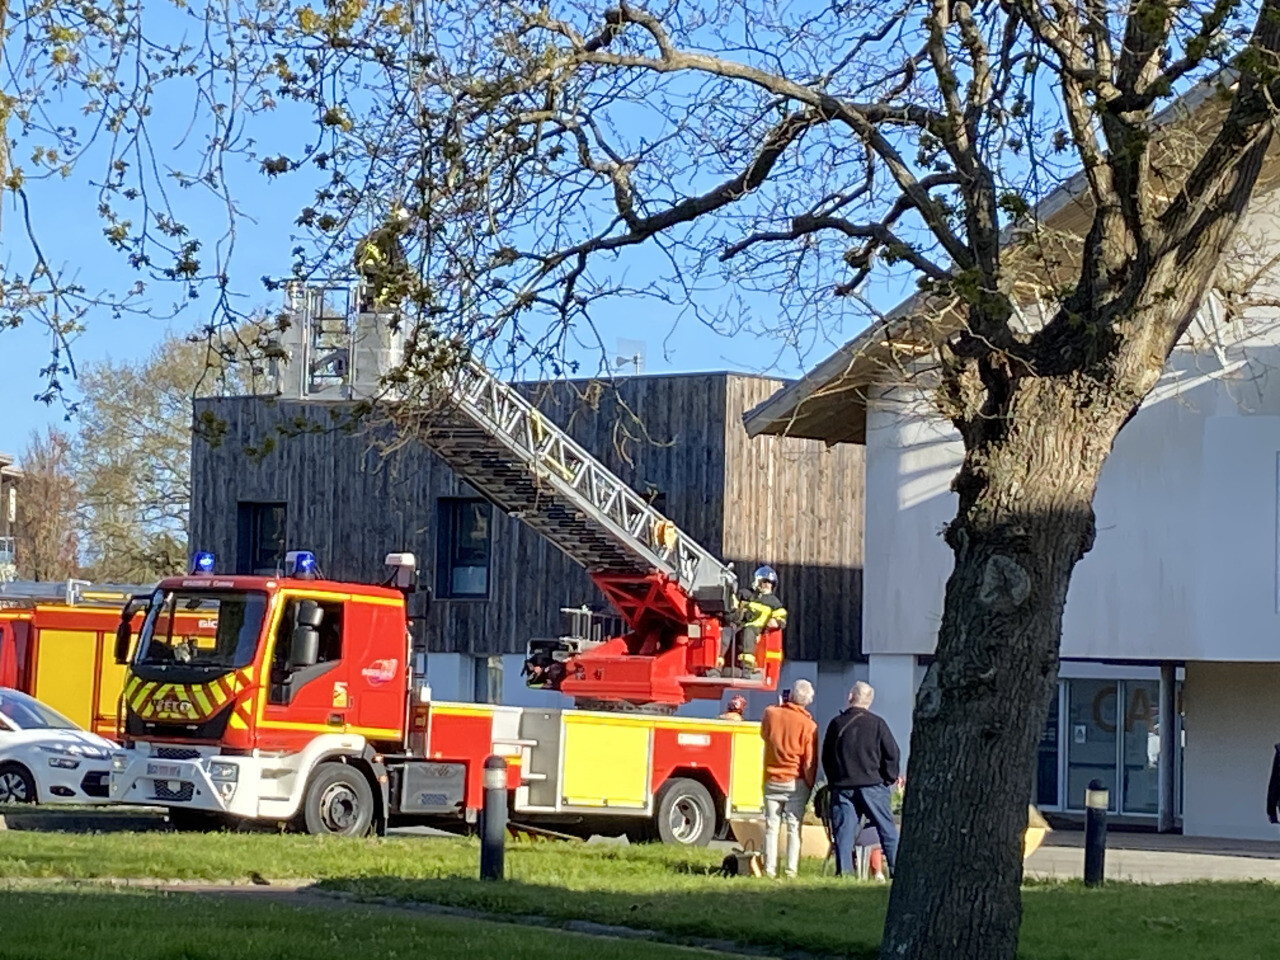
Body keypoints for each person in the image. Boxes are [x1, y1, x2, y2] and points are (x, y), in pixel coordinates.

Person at [821, 681, 901, 876]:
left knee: (844, 833)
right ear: (870, 701)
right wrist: (888, 778)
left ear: (850, 697)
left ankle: (844, 872)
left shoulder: (836, 724)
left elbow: (826, 756)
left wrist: (834, 781)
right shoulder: (878, 724)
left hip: (843, 787)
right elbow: (892, 753)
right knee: (887, 830)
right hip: (873, 785)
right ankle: (896, 870)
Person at [760, 678, 818, 879]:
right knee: (794, 827)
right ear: (807, 700)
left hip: (771, 778)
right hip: (795, 781)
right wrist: (810, 784)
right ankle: (791, 870)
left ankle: (769, 869)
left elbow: (764, 736)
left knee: (771, 826)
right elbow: (809, 761)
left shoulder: (770, 714)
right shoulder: (809, 726)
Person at [723, 566, 787, 675]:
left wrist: (777, 622)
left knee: (749, 631)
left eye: (770, 583)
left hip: (755, 629)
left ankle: (747, 667)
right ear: (758, 582)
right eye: (765, 582)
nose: (767, 585)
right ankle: (717, 665)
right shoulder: (745, 594)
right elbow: (732, 606)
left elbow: (781, 616)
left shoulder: (774, 602)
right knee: (725, 632)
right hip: (737, 625)